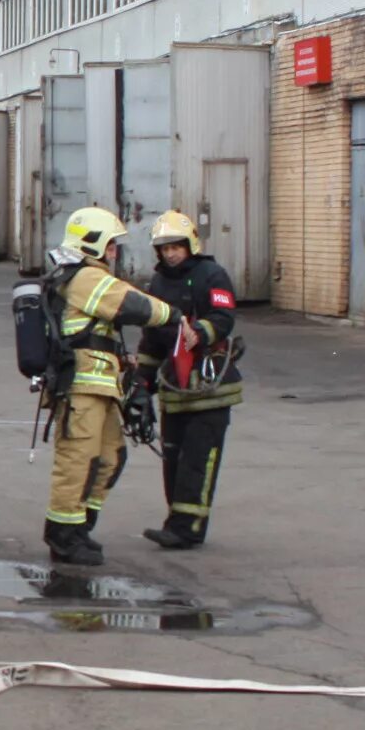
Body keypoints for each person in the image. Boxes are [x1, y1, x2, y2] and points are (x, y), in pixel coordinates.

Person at [40, 206, 177, 567]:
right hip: (81, 389)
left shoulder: (87, 277)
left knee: (110, 457)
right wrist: (175, 316)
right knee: (77, 460)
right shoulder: (85, 277)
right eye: (112, 245)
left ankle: (80, 526)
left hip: (100, 387)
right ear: (93, 243)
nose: (116, 252)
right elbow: (132, 304)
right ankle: (63, 536)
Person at [135, 210, 243, 550]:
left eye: (176, 247)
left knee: (198, 460)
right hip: (175, 389)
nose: (170, 254)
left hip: (210, 388)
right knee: (173, 458)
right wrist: (142, 385)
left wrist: (201, 331)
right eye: (164, 248)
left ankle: (187, 529)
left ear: (190, 244)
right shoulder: (157, 283)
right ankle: (177, 522)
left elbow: (224, 317)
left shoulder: (213, 275)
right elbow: (152, 340)